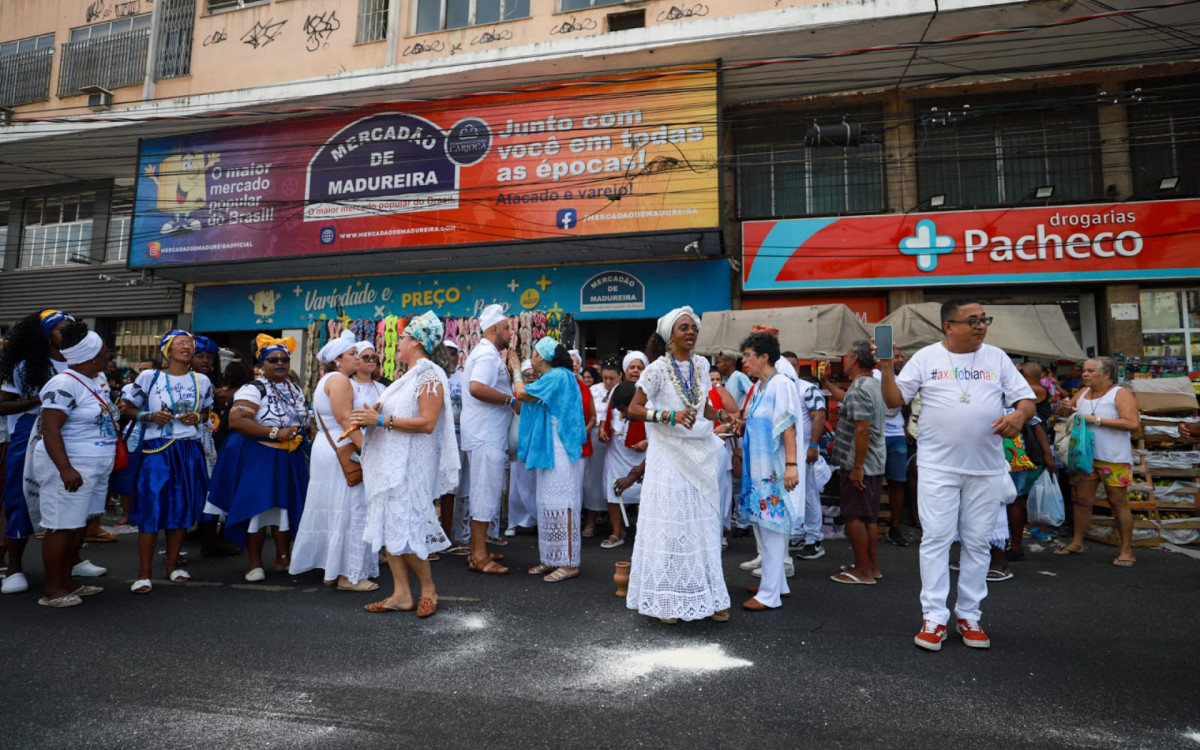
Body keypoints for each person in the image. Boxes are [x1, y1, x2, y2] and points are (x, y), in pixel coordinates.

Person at [880, 300, 1035, 651]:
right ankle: (934, 618)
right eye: (973, 321)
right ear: (948, 326)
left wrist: (1019, 417)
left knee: (978, 542)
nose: (981, 326)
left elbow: (1026, 399)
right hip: (938, 466)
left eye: (984, 320)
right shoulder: (926, 358)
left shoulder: (996, 357)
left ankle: (969, 614)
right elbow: (892, 400)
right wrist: (887, 368)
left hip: (986, 468)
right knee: (935, 540)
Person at [626, 307, 731, 624]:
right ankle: (667, 600)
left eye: (694, 328)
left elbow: (702, 406)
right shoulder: (657, 369)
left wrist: (720, 416)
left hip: (699, 451)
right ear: (670, 336)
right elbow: (634, 408)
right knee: (672, 526)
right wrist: (666, 416)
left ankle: (711, 596)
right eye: (684, 328)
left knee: (703, 524)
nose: (691, 333)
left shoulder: (701, 365)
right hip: (668, 455)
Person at [352, 311, 458, 617]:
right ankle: (401, 594)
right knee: (390, 527)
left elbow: (427, 423)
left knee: (407, 528)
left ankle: (428, 589)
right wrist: (370, 418)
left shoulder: (429, 375)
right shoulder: (406, 378)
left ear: (416, 342)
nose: (397, 343)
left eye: (402, 338)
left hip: (411, 468)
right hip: (391, 466)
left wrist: (382, 419)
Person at [206, 335, 311, 582]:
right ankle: (254, 562)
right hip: (261, 456)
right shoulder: (253, 388)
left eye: (284, 359)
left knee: (285, 507)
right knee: (258, 509)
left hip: (289, 456)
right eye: (273, 359)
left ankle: (283, 557)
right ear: (262, 364)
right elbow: (237, 421)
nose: (280, 363)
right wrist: (275, 432)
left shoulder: (294, 388)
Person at [122, 330, 216, 593]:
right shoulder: (150, 377)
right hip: (157, 450)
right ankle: (143, 573)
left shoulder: (202, 380)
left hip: (188, 449)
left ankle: (172, 566)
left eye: (190, 344)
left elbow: (208, 411)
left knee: (181, 510)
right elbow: (127, 408)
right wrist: (149, 416)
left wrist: (197, 418)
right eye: (180, 343)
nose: (186, 347)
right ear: (167, 349)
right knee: (152, 509)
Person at [31, 323, 117, 607]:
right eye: (105, 352)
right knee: (61, 526)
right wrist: (65, 469)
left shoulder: (92, 380)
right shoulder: (64, 382)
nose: (109, 356)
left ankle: (68, 581)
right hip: (70, 466)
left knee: (78, 524)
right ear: (91, 356)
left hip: (93, 465)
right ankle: (53, 590)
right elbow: (51, 429)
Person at [289, 331, 380, 591]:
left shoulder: (328, 380)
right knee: (350, 508)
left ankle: (333, 569)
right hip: (342, 449)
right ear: (338, 359)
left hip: (328, 449)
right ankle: (348, 576)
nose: (357, 358)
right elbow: (346, 421)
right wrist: (369, 453)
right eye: (352, 354)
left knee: (336, 508)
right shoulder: (340, 381)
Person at [0, 311, 80, 595]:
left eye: (72, 327)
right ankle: (14, 568)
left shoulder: (79, 363)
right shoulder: (25, 366)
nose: (68, 332)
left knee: (73, 498)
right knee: (21, 497)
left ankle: (73, 562)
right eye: (62, 328)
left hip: (72, 434)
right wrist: (40, 398)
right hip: (30, 434)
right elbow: (3, 405)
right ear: (47, 335)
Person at [509, 337, 587, 582]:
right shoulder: (555, 377)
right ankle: (552, 559)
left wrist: (515, 370)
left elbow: (521, 393)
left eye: (533, 352)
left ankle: (570, 562)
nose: (531, 357)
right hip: (552, 450)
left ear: (541, 356)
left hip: (561, 450)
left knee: (564, 506)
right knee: (548, 505)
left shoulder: (558, 376)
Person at [736, 331, 802, 610]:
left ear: (764, 357)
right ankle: (777, 584)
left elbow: (787, 425)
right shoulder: (761, 387)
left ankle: (769, 595)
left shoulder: (780, 385)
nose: (744, 362)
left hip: (774, 472)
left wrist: (790, 465)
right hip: (760, 472)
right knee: (766, 529)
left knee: (773, 530)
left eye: (748, 356)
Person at [1054, 357, 1140, 566]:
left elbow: (1132, 423)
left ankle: (1126, 550)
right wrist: (1063, 408)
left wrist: (1098, 420)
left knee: (1117, 502)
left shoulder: (1120, 394)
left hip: (1113, 458)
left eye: (1091, 371)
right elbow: (1062, 412)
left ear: (1107, 374)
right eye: (1084, 370)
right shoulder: (1082, 393)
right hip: (1085, 456)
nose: (1085, 374)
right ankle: (1077, 542)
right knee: (1082, 500)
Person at [459, 304, 514, 575]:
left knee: (484, 491)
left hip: (485, 433)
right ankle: (480, 556)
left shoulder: (487, 353)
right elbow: (477, 388)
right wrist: (510, 400)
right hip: (485, 435)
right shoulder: (487, 356)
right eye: (506, 328)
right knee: (484, 493)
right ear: (494, 329)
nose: (510, 333)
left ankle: (476, 550)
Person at [829, 341, 887, 585]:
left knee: (854, 516)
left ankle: (862, 571)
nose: (843, 359)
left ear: (853, 358)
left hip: (860, 462)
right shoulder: (870, 384)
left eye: (846, 355)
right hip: (871, 461)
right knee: (869, 517)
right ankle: (869, 566)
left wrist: (857, 467)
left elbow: (862, 429)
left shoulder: (860, 388)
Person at [599, 351, 648, 549]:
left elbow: (655, 423)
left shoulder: (649, 391)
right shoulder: (615, 390)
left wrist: (647, 441)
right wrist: (603, 430)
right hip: (617, 450)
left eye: (639, 367)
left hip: (641, 451)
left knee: (644, 492)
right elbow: (606, 414)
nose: (635, 371)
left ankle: (645, 533)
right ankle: (617, 532)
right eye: (632, 367)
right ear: (625, 371)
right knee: (614, 490)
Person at [582, 360, 620, 537]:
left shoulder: (624, 390)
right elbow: (588, 413)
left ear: (620, 376)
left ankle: (617, 527)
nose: (608, 382)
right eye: (605, 378)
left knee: (614, 479)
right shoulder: (593, 390)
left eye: (612, 378)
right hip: (596, 440)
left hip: (617, 442)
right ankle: (591, 520)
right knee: (594, 479)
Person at [504, 359, 539, 538]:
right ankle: (514, 522)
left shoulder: (540, 391)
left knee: (536, 486)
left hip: (538, 447)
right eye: (527, 375)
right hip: (520, 445)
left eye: (534, 375)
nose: (531, 378)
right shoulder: (518, 392)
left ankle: (536, 520)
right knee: (517, 487)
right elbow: (518, 409)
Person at [437, 339, 463, 546]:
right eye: (446, 352)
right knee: (429, 488)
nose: (449, 357)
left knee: (450, 489)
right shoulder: (433, 376)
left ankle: (446, 536)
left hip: (457, 440)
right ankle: (429, 537)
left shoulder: (463, 379)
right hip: (432, 439)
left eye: (453, 353)